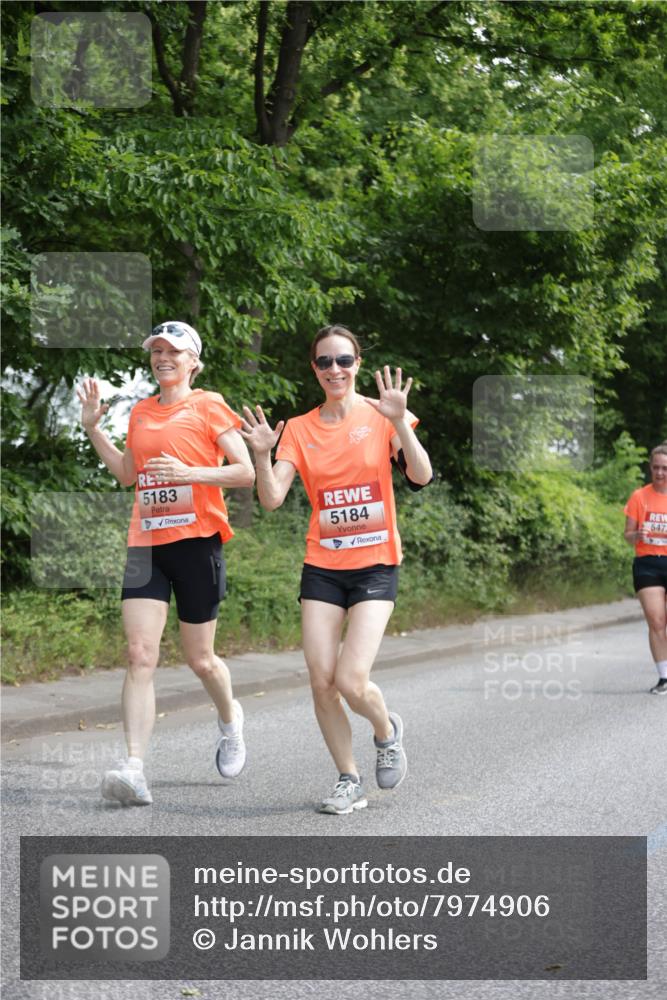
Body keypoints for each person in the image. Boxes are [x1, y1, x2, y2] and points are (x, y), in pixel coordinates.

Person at [241, 324, 432, 814]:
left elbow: (421, 476)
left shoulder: (383, 411)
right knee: (321, 680)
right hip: (323, 567)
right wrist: (262, 455)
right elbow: (271, 498)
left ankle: (386, 730)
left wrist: (399, 426)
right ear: (314, 369)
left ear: (357, 364)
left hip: (375, 564)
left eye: (343, 360)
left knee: (351, 679)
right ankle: (348, 779)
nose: (335, 370)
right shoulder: (300, 429)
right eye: (325, 362)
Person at [77, 321, 255, 805]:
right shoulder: (140, 411)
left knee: (201, 659)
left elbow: (245, 471)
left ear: (192, 361)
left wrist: (188, 472)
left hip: (197, 543)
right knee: (140, 654)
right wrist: (94, 429)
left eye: (173, 351)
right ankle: (133, 768)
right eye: (156, 351)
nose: (163, 358)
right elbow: (126, 475)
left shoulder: (209, 405)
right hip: (147, 543)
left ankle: (229, 720)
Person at [624, 441, 667, 695]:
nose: (660, 472)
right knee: (656, 620)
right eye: (656, 468)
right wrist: (638, 534)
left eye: (665, 468)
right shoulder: (639, 497)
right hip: (647, 563)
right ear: (650, 468)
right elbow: (627, 535)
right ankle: (664, 678)